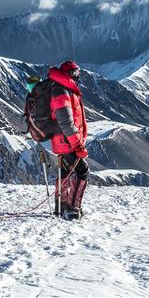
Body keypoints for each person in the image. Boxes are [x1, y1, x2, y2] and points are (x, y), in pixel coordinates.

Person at [48, 60, 89, 220]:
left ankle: (61, 207)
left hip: (64, 141)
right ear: (68, 74)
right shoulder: (62, 91)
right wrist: (77, 144)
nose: (78, 76)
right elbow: (65, 122)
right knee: (82, 172)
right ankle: (72, 208)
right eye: (75, 73)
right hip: (67, 143)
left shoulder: (64, 89)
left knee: (65, 172)